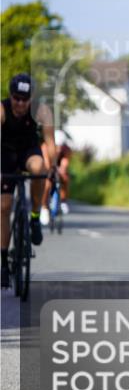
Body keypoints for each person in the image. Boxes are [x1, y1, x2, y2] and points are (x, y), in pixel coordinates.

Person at [1, 74, 57, 288]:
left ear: (31, 98)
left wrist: (53, 168)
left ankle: (34, 216)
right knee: (4, 206)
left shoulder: (42, 110)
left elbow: (50, 142)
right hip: (5, 155)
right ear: (10, 95)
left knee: (39, 169)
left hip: (28, 152)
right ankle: (3, 263)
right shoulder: (2, 110)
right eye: (16, 98)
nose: (20, 104)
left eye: (25, 99)